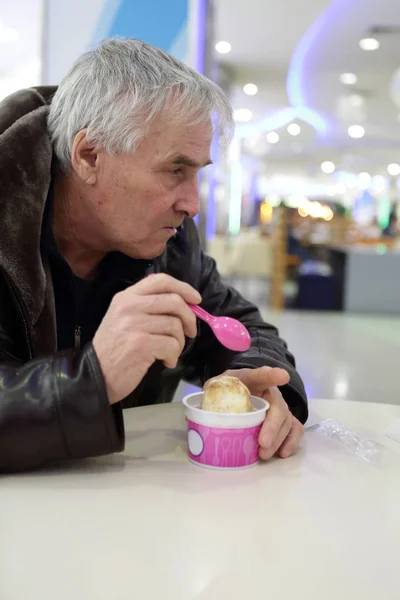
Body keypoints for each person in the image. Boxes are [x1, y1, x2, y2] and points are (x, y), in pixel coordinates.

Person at [0, 38, 307, 472]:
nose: (193, 203)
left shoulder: (172, 242)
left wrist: (256, 378)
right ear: (89, 156)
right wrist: (92, 378)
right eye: (175, 170)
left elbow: (239, 326)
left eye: (197, 173)